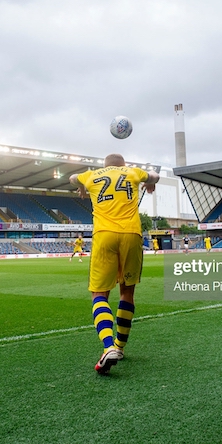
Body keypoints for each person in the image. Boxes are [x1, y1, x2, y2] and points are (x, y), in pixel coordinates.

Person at [70, 153, 159, 375]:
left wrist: (81, 186)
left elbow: (72, 177)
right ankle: (119, 347)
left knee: (99, 294)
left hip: (104, 235)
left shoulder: (90, 175)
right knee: (126, 292)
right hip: (131, 234)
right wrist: (149, 183)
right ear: (123, 164)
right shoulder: (132, 172)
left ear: (104, 165)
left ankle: (108, 346)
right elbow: (155, 176)